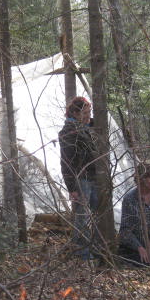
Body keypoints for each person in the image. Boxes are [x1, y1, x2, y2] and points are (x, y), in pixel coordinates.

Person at [59, 96, 98, 260]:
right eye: (85, 112)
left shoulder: (84, 127)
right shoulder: (69, 132)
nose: (88, 116)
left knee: (95, 213)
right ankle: (81, 252)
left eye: (89, 112)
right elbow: (66, 162)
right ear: (75, 113)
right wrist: (72, 187)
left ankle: (92, 248)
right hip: (81, 179)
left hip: (92, 177)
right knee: (82, 217)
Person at [118, 161, 150, 267]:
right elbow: (124, 230)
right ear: (141, 179)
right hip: (137, 247)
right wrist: (139, 247)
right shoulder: (130, 199)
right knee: (136, 260)